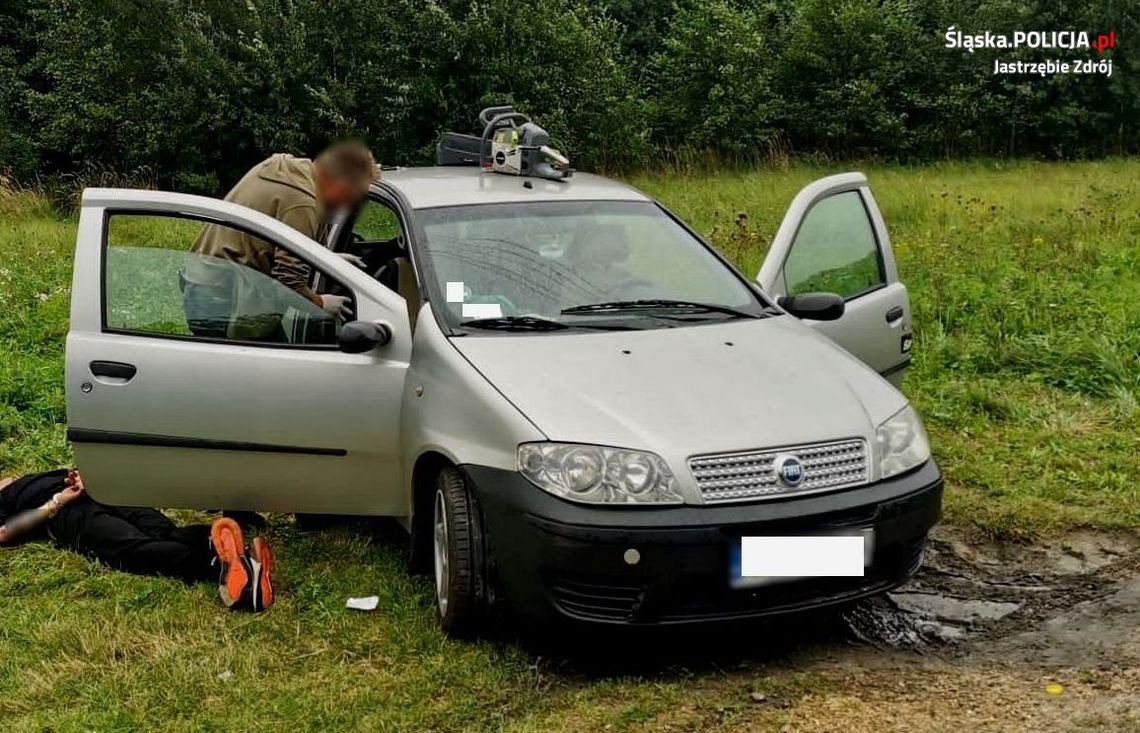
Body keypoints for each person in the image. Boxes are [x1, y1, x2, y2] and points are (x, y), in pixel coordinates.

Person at [0, 469, 275, 612]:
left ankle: (219, 553)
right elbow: (4, 533)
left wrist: (82, 478)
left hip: (93, 497)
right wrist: (58, 501)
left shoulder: (24, 478)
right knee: (148, 541)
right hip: (66, 512)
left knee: (150, 540)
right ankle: (222, 555)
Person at [181, 141, 378, 340]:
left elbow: (278, 238)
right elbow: (288, 282)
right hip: (222, 298)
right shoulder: (303, 203)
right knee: (247, 366)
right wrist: (320, 303)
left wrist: (326, 259)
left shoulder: (291, 171)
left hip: (206, 283)